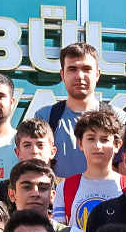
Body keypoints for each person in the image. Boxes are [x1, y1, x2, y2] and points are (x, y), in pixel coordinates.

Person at [61, 106, 126, 232]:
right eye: (90, 138)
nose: (97, 145)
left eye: (104, 139)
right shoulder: (66, 186)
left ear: (117, 145)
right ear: (80, 143)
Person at [42, 41, 105, 177]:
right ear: (62, 75)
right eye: (72, 69)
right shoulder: (46, 117)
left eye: (86, 69)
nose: (79, 76)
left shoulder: (117, 117)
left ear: (97, 74)